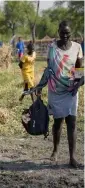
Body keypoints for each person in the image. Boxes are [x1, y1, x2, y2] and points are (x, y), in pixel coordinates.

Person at [33, 20, 83, 168]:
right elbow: (49, 69)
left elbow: (79, 70)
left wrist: (78, 84)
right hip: (55, 90)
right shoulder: (52, 47)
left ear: (71, 33)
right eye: (62, 33)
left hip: (71, 90)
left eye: (68, 33)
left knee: (72, 123)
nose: (65, 35)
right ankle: (55, 150)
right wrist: (40, 85)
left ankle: (72, 157)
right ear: (58, 32)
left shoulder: (77, 47)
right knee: (58, 122)